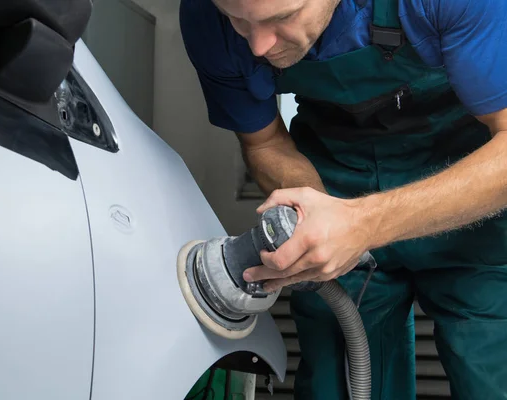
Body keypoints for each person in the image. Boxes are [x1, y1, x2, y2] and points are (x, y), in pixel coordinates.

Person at [179, 0, 507, 399]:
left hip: (467, 186)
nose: (258, 46)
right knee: (340, 376)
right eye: (238, 21)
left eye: (282, 18)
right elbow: (264, 142)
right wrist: (315, 215)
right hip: (332, 177)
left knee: (492, 368)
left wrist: (365, 223)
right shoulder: (205, 15)